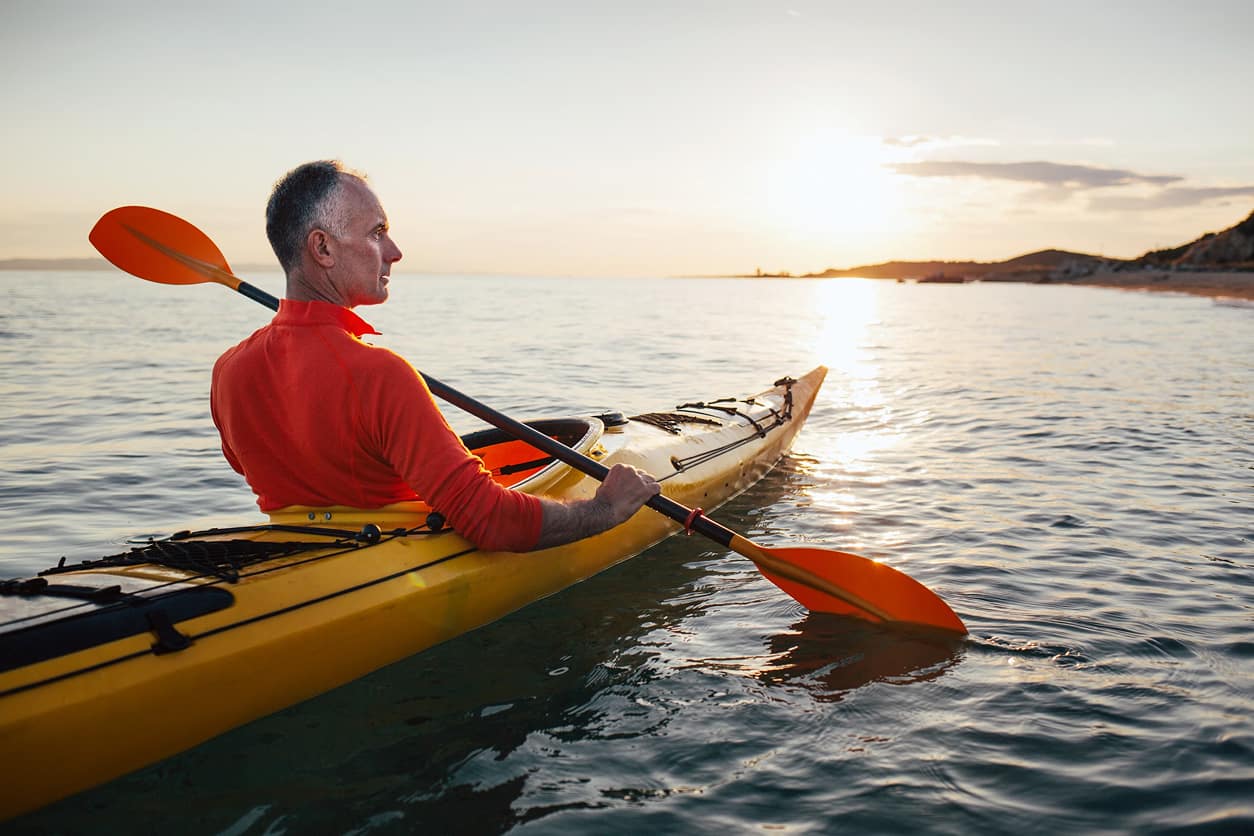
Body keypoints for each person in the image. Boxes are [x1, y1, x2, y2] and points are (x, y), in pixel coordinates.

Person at [211, 160, 659, 551]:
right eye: (377, 233)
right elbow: (491, 521)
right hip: (389, 563)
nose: (395, 252)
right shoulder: (380, 374)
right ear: (322, 248)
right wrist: (605, 509)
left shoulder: (229, 370)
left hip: (291, 559)